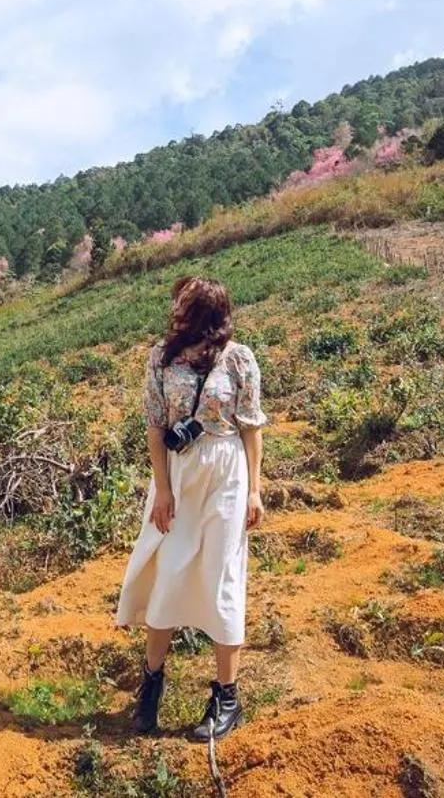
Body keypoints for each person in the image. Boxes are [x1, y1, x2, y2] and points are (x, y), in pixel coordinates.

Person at [115, 275, 266, 741]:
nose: (174, 311)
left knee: (222, 576)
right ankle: (151, 686)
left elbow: (251, 427)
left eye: (184, 305)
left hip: (225, 473)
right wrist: (162, 490)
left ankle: (226, 697)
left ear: (204, 312)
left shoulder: (238, 358)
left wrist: (255, 491)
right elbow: (156, 427)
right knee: (169, 570)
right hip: (179, 476)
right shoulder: (161, 357)